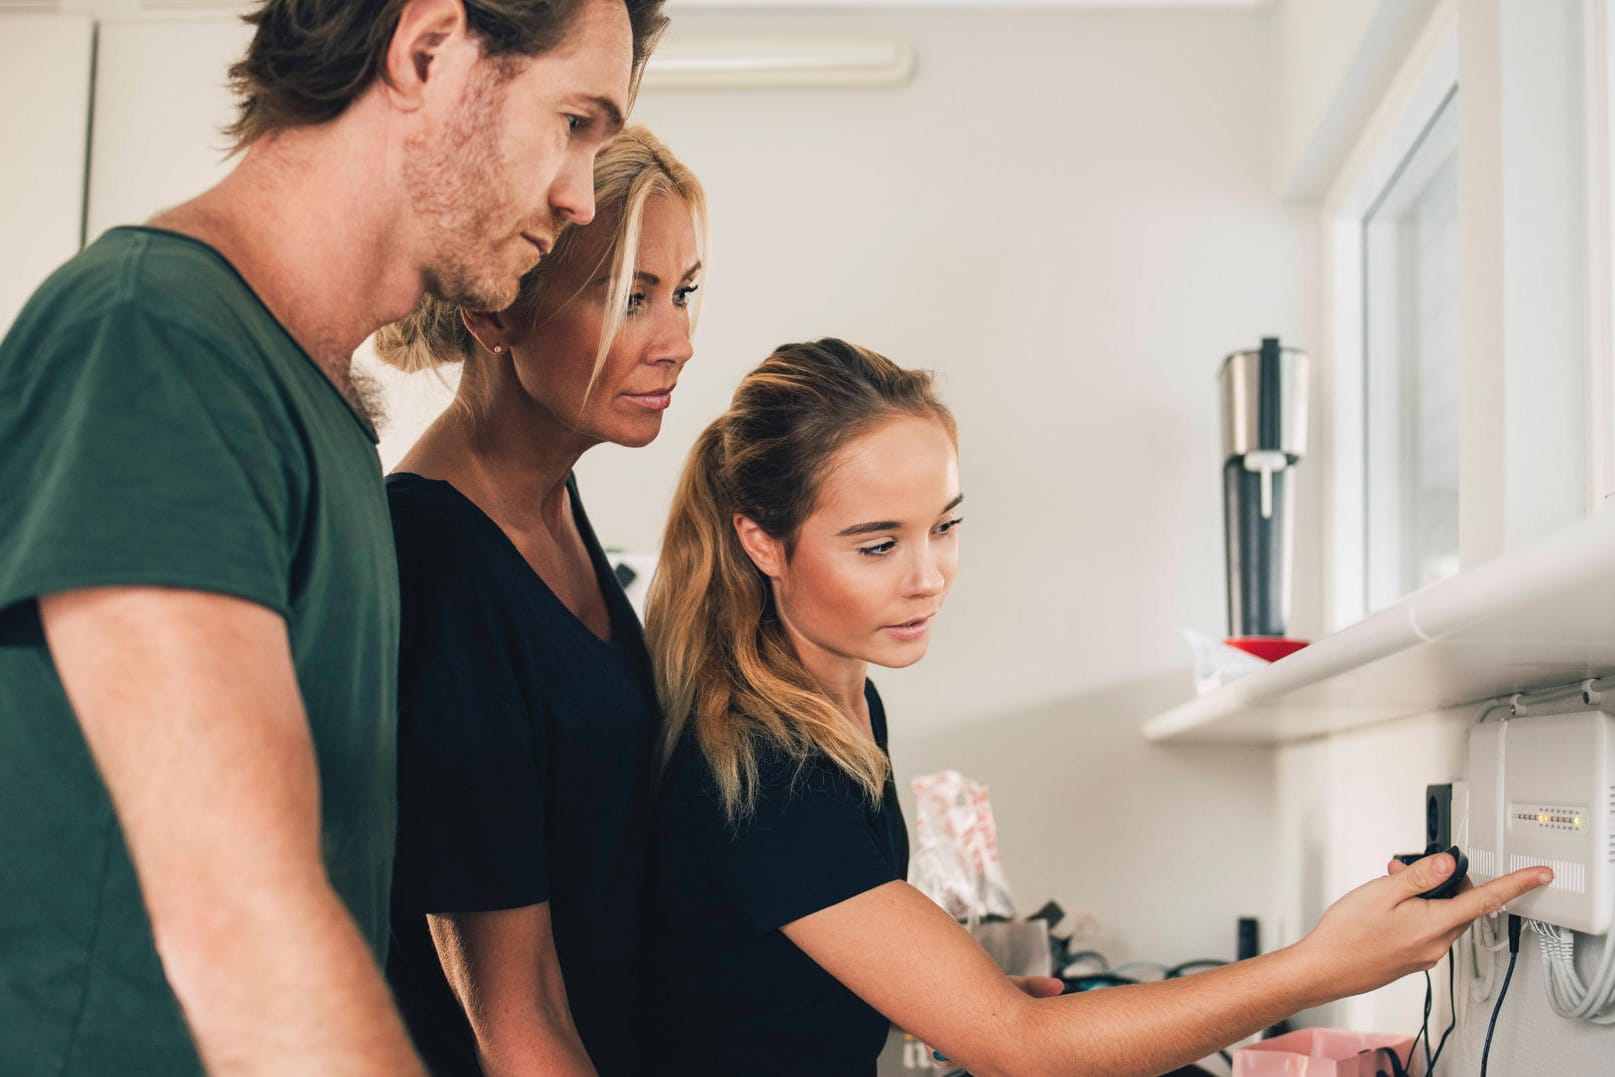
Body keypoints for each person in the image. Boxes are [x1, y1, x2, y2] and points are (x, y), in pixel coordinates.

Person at [0, 1, 666, 1073]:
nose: (578, 196)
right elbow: (242, 922)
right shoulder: (155, 340)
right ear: (428, 48)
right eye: (574, 121)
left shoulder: (325, 410)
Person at [639, 338, 1554, 1076]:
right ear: (762, 541)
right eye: (877, 544)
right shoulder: (763, 764)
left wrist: (957, 1004)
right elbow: (1021, 1052)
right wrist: (1319, 967)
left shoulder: (837, 706)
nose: (929, 576)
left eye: (945, 525)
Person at [372, 124, 704, 1077]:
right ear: (494, 309)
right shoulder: (437, 559)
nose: (678, 341)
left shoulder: (549, 500)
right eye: (629, 295)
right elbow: (510, 1019)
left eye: (682, 292)